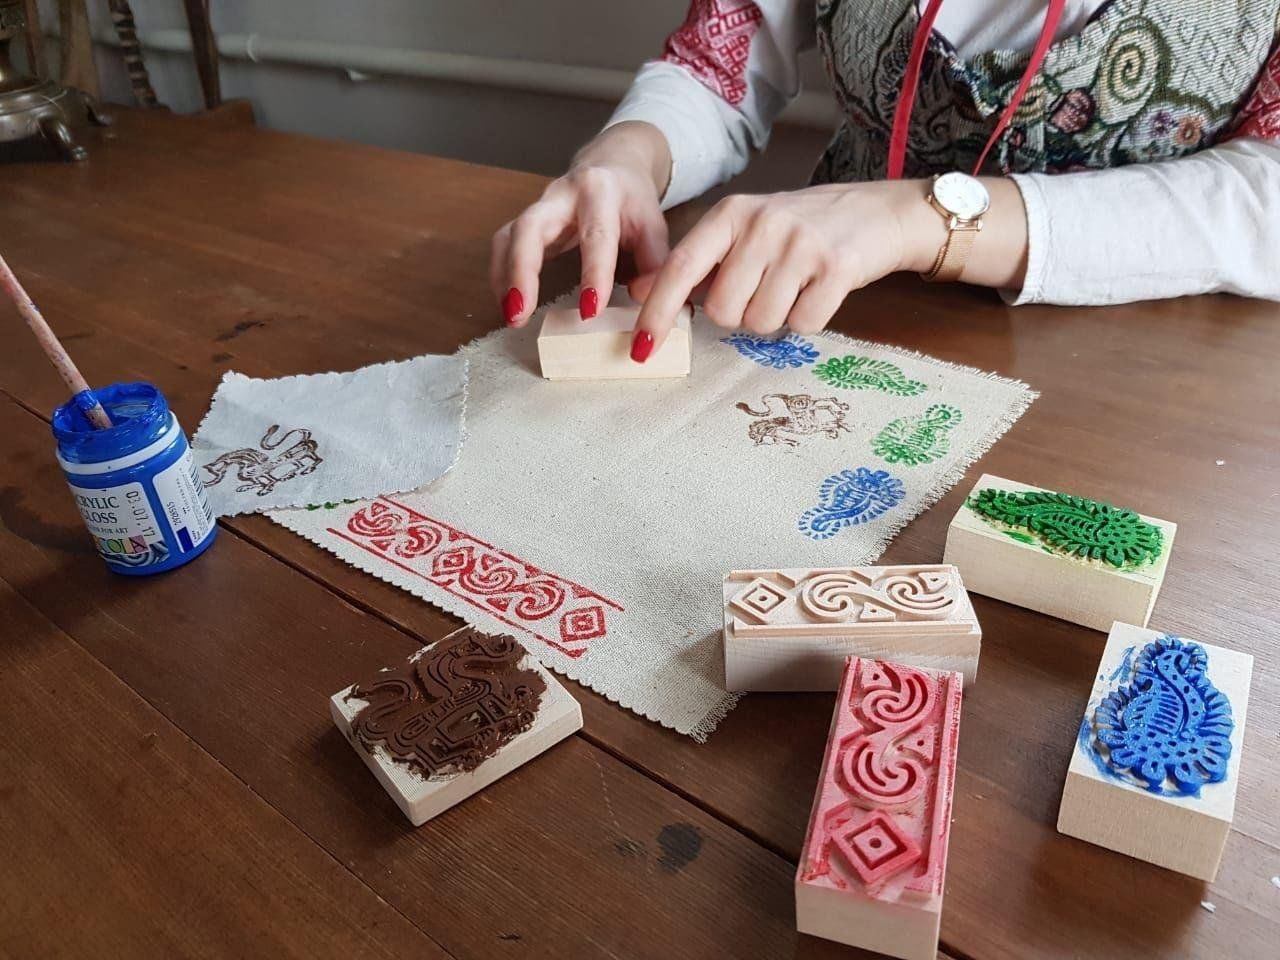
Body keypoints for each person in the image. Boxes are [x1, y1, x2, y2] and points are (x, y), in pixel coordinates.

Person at [489, 1, 1280, 363]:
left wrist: (920, 217)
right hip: (838, 320)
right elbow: (718, 66)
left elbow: (1265, 198)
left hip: (1140, 368)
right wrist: (628, 153)